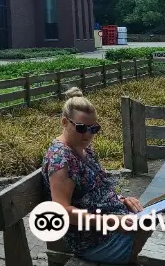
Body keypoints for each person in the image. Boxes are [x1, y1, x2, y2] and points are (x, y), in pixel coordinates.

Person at [42, 87, 152, 264]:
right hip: (96, 241)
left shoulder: (85, 149)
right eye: (81, 128)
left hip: (117, 225)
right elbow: (62, 211)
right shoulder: (60, 159)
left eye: (93, 129)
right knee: (160, 242)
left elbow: (98, 188)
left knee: (164, 221)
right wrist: (111, 221)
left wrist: (121, 199)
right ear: (64, 122)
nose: (88, 134)